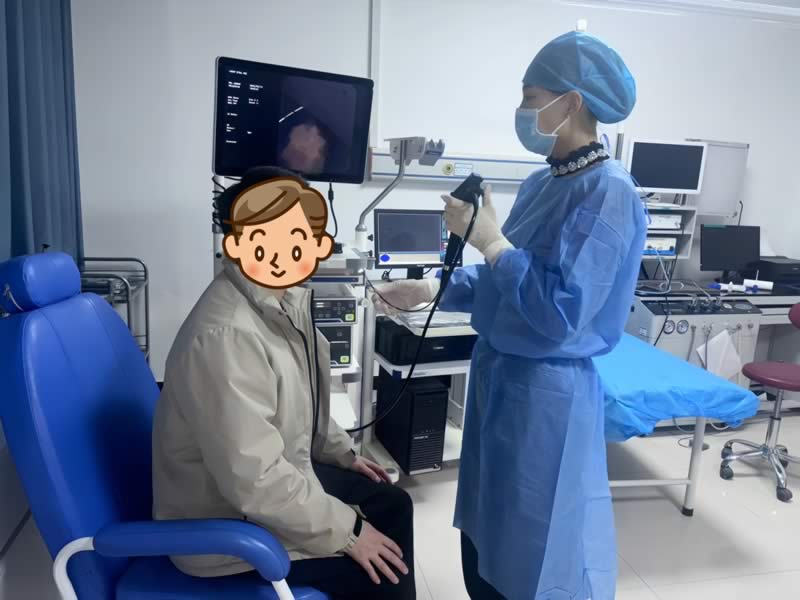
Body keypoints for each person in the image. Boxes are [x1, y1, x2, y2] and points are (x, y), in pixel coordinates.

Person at [375, 31, 645, 600]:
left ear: (571, 102)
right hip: (497, 378)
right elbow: (505, 278)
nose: (523, 111)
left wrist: (492, 242)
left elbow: (561, 312)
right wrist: (431, 287)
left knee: (534, 539)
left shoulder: (609, 193)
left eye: (531, 97)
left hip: (546, 394)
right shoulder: (543, 182)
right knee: (485, 525)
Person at [153, 166, 416, 600]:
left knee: (393, 503)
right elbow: (252, 479)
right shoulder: (227, 336)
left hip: (258, 489)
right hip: (223, 524)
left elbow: (302, 403)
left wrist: (342, 453)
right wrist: (350, 533)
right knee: (375, 570)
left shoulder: (280, 300)